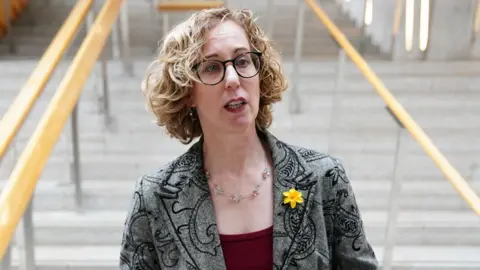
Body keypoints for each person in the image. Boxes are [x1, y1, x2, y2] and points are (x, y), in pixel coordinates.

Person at [119, 7, 378, 270]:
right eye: (211, 67)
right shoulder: (155, 197)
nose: (232, 79)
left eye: (242, 61)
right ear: (187, 92)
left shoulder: (325, 178)